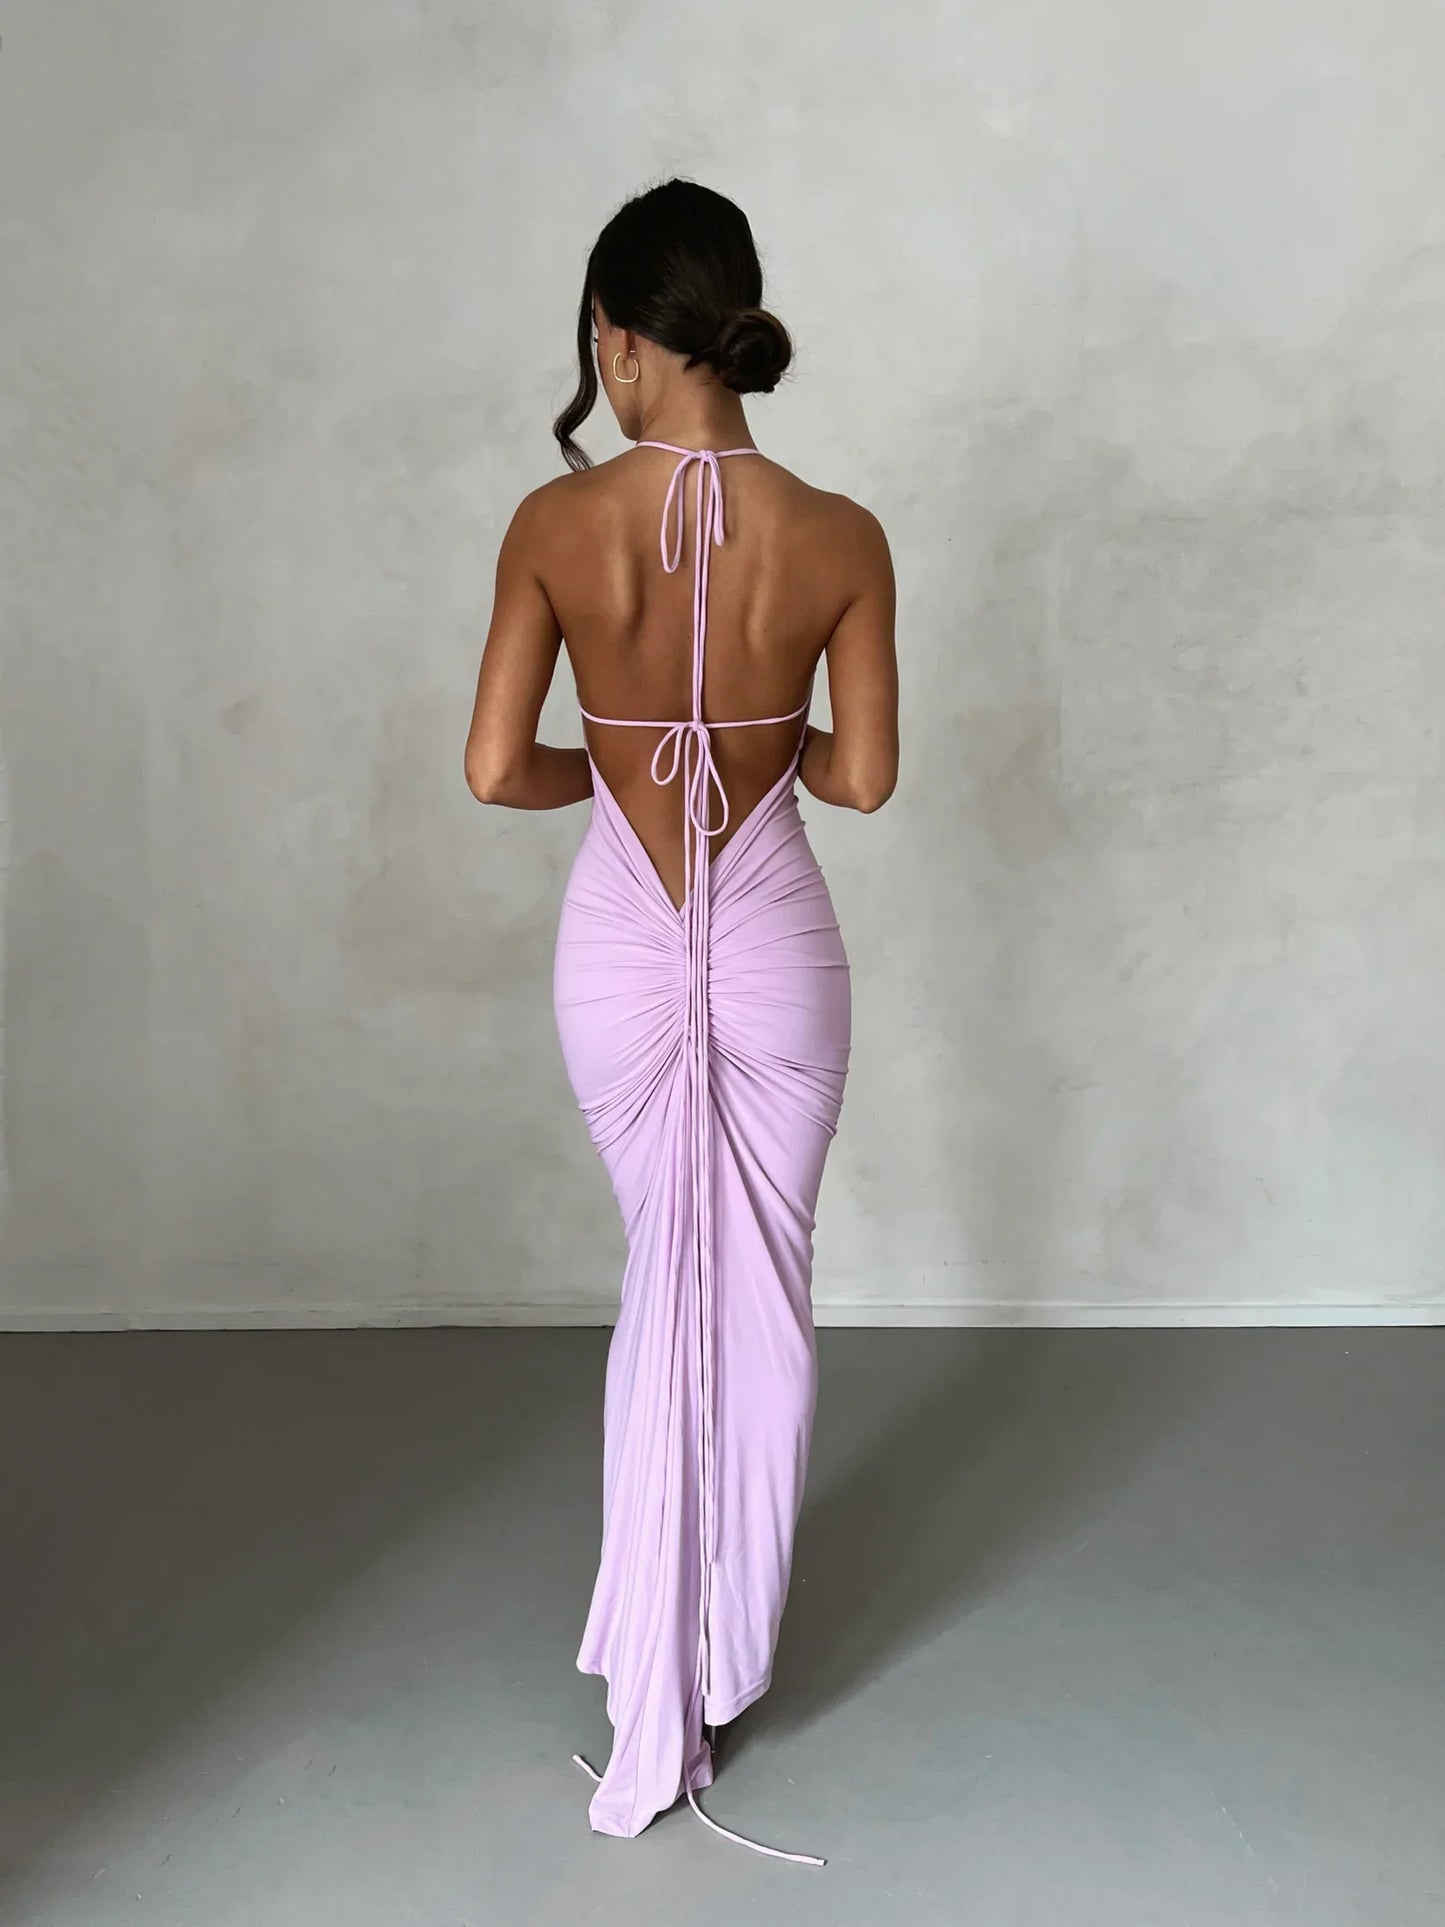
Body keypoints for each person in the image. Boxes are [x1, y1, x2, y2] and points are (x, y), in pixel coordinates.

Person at [464, 178, 898, 1862]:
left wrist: (620, 769)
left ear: (618, 339)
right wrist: (752, 752)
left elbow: (496, 769)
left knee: (667, 1276)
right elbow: (859, 779)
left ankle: (656, 1671)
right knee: (760, 1292)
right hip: (774, 934)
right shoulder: (841, 534)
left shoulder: (554, 523)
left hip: (621, 942)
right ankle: (714, 1661)